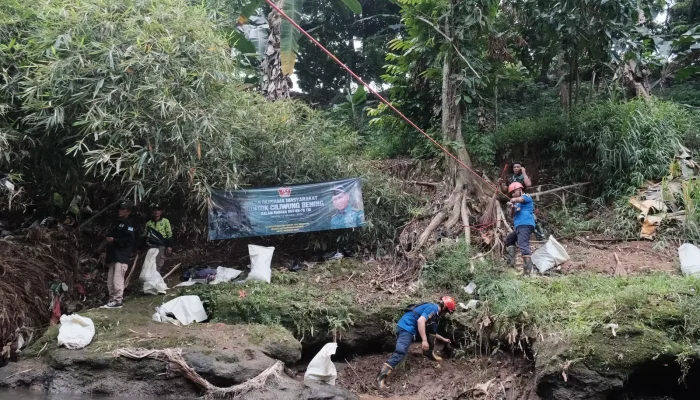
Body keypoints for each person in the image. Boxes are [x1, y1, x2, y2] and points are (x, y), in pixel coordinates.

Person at [376, 296, 456, 389]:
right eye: (447, 312)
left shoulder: (435, 313)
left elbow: (431, 332)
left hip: (411, 328)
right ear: (445, 308)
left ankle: (428, 353)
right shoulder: (433, 308)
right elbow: (420, 321)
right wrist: (424, 340)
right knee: (401, 351)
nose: (445, 314)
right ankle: (381, 377)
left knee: (432, 329)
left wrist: (443, 339)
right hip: (406, 327)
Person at [102, 201, 135, 309]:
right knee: (110, 280)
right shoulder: (117, 223)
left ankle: (118, 300)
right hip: (113, 256)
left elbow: (129, 241)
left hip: (121, 257)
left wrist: (115, 240)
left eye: (123, 209)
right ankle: (112, 299)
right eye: (119, 209)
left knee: (117, 279)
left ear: (128, 211)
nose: (120, 211)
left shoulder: (128, 224)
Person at [505, 182, 536, 275]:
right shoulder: (517, 204)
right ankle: (511, 264)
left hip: (525, 224)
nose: (512, 195)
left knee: (523, 244)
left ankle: (528, 272)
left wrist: (514, 199)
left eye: (513, 192)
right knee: (510, 239)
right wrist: (513, 207)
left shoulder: (526, 197)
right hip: (520, 226)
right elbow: (512, 215)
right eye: (511, 194)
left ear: (519, 190)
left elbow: (520, 199)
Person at [145, 203, 173, 270]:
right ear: (152, 211)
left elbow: (169, 234)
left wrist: (170, 246)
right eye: (155, 210)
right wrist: (139, 248)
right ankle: (149, 280)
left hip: (160, 245)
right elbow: (145, 235)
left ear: (161, 212)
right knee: (149, 264)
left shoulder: (165, 221)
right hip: (151, 246)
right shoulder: (149, 223)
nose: (156, 212)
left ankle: (156, 279)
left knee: (158, 263)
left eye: (158, 210)